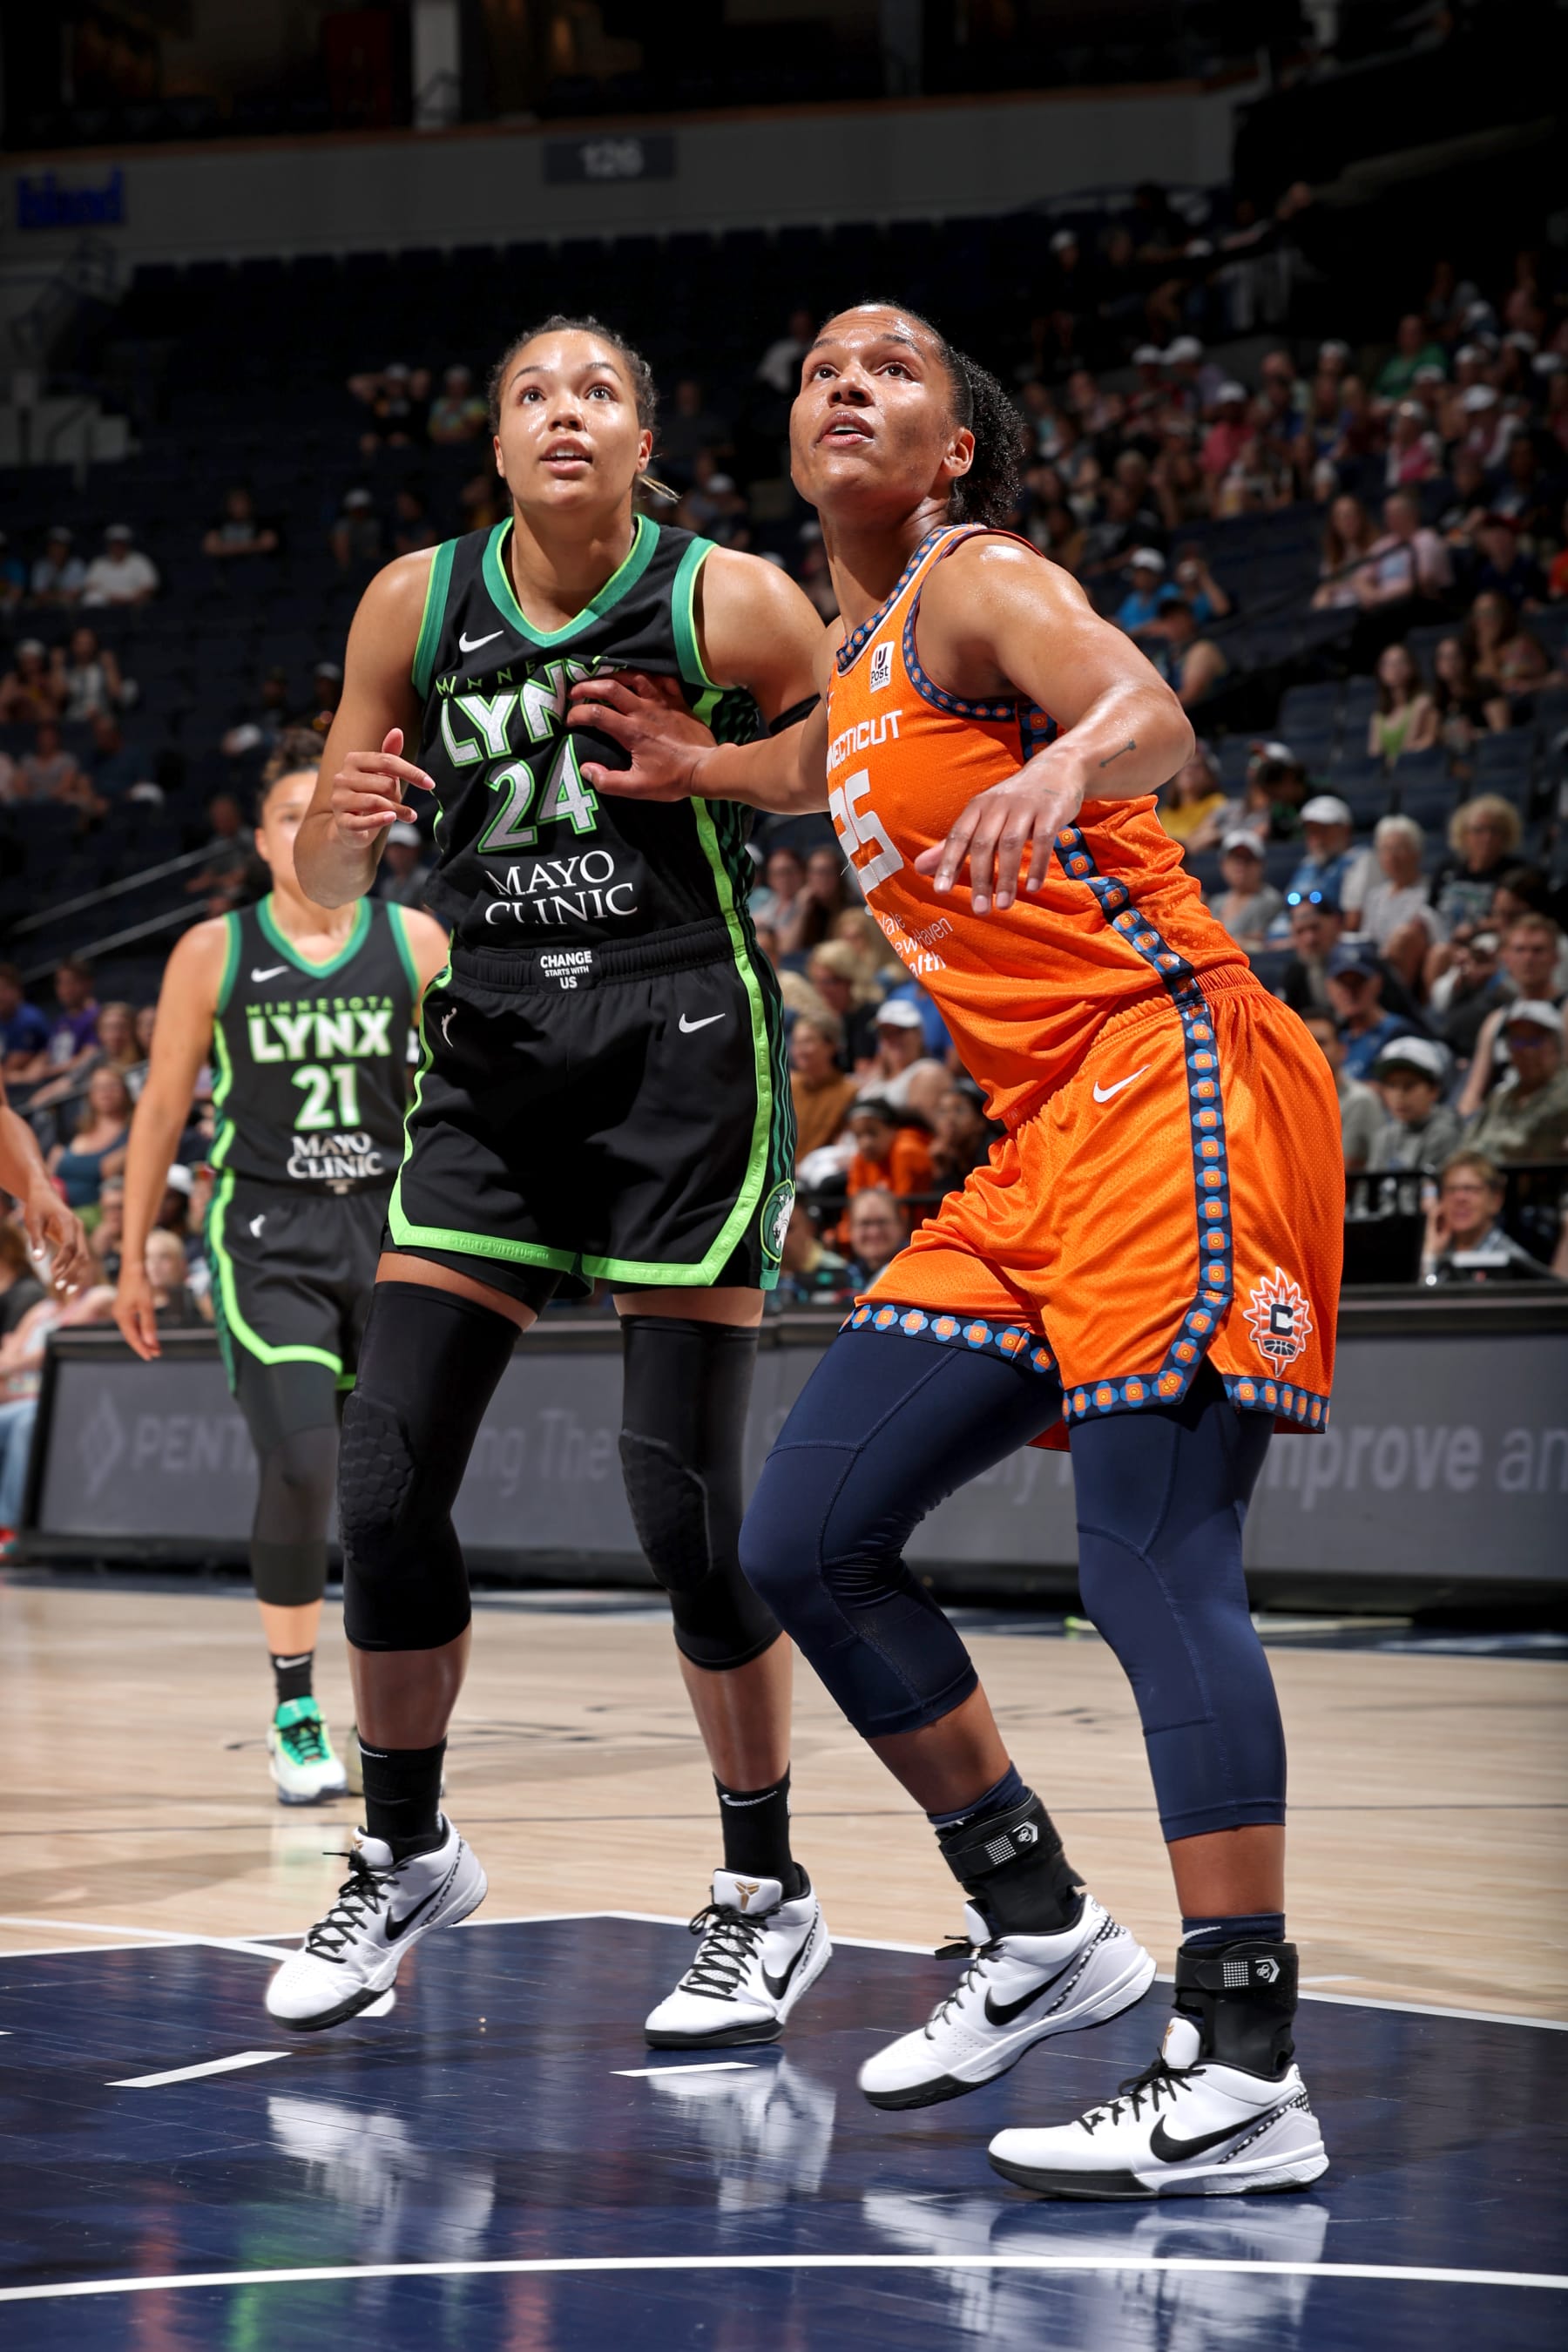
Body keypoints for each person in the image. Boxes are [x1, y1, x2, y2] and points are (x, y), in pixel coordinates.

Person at [575, 301, 1342, 2199]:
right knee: (805, 1535)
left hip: (1180, 1073)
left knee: (1150, 1551)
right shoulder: (855, 668)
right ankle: (1042, 1924)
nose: (849, 381)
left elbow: (1149, 708)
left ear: (956, 450)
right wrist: (697, 767)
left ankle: (1244, 2061)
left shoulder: (986, 582)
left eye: (895, 368)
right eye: (824, 364)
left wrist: (1066, 765)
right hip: (1038, 1149)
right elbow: (815, 767)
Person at [265, 315, 832, 2050]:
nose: (563, 412)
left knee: (684, 1510)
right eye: (530, 392)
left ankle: (763, 1887)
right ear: (497, 447)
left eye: (596, 390)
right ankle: (405, 1849)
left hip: (679, 1036)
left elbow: (845, 763)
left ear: (642, 438)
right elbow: (320, 863)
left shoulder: (728, 598)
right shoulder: (411, 604)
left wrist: (704, 766)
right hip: (499, 1048)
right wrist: (344, 825)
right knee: (381, 1484)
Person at [114, 733, 448, 1808]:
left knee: (390, 1497)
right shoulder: (212, 952)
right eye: (290, 813)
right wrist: (129, 1256)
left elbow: (470, 1098)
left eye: (330, 811)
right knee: (303, 1464)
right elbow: (162, 1109)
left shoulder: (417, 939)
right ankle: (296, 1706)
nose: (314, 829)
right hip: (267, 1239)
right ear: (262, 842)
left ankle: (394, 1715)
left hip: (391, 1237)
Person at [1455, 909, 1565, 1112]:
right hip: (1499, 1119)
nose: (1528, 959)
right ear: (1505, 958)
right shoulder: (1497, 1020)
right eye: (1520, 950)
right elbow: (1472, 1093)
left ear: (1555, 957)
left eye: (1537, 950)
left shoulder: (1565, 1011)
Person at [1420, 1151, 1556, 1284]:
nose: (1460, 1198)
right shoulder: (1435, 1253)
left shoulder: (1513, 1263)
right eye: (1451, 1189)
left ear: (1496, 1200)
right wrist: (1431, 1253)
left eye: (1471, 1189)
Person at [1464, 1003, 1568, 1165]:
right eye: (1518, 1041)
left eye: (1535, 1041)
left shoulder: (1564, 1095)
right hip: (1476, 1181)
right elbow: (1466, 1145)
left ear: (1557, 1046)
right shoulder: (1499, 1096)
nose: (1526, 1051)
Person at [1300, 1009, 1387, 1173]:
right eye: (1304, 1042)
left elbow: (1342, 1171)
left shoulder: (1360, 1101)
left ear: (1342, 1051)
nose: (1311, 1050)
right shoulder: (1286, 1100)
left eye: (1321, 1042)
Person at [1365, 1037, 1462, 1173]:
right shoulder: (1384, 1136)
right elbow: (1367, 1191)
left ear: (1434, 1090)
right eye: (1392, 1085)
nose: (1399, 1095)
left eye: (1409, 1085)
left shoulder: (1446, 1133)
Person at [1325, 940, 1417, 1081]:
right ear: (1329, 988)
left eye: (1358, 982)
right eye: (1343, 983)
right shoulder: (1339, 1036)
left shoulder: (1397, 1032)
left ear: (1378, 983)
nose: (1351, 992)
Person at [1432, 794, 1524, 933]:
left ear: (1507, 834)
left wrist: (1475, 929)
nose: (1487, 838)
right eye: (1479, 830)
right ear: (1464, 834)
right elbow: (1430, 911)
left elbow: (1519, 919)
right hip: (1442, 939)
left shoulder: (1518, 874)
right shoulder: (1447, 868)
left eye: (1495, 830)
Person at [46, 1066, 131, 1209]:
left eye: (113, 1085)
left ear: (125, 1091)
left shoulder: (132, 1132)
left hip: (101, 1209)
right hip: (59, 1206)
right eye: (99, 1087)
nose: (106, 1092)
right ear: (90, 1094)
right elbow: (50, 1169)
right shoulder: (76, 1129)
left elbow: (108, 1169)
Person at [788, 1010, 857, 1159]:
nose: (799, 1050)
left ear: (831, 1046)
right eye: (796, 1042)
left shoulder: (849, 1092)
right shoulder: (787, 1085)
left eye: (808, 1042)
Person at [1213, 831, 1283, 950]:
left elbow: (1261, 943)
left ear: (1260, 865)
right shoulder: (1216, 902)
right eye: (1235, 859)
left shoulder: (1269, 899)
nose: (1241, 865)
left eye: (1248, 859)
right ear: (1223, 865)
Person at [1368, 644, 1436, 765]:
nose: (1394, 668)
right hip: (1390, 776)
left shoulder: (1422, 703)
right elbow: (1375, 755)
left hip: (1415, 769)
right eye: (1387, 664)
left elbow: (1408, 747)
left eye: (1400, 662)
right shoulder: (1378, 716)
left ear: (1411, 667)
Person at [773, 1197, 848, 1304]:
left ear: (809, 1229)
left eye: (788, 1229)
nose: (780, 1237)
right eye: (775, 1229)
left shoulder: (840, 1269)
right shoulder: (757, 1272)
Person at [1157, 747, 1227, 848]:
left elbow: (1209, 834)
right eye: (1183, 766)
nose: (1188, 771)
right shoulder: (1165, 813)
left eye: (1196, 767)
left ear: (1208, 776)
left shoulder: (1216, 802)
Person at [841, 1185, 907, 1288]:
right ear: (850, 1228)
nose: (874, 1232)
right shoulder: (844, 1276)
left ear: (901, 1225)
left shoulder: (918, 1270)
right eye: (865, 1223)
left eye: (882, 1222)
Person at [81, 524, 159, 606]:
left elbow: (149, 586)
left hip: (132, 602)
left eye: (121, 543)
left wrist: (129, 599)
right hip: (106, 603)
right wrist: (111, 598)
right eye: (115, 543)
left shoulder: (140, 560)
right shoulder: (99, 562)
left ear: (127, 544)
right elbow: (90, 585)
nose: (118, 547)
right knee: (91, 598)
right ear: (109, 544)